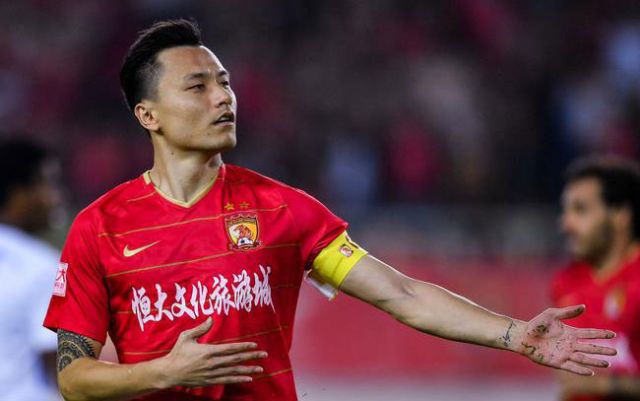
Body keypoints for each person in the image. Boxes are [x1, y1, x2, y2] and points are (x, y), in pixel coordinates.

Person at [44, 19, 617, 401]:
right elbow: (72, 378)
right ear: (148, 115)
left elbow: (402, 294)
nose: (223, 97)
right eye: (197, 87)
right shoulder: (100, 228)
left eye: (224, 82)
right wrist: (165, 372)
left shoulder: (282, 209)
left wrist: (515, 333)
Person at [553, 157, 640, 401]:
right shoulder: (566, 282)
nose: (566, 224)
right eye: (565, 211)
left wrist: (605, 385)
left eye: (580, 210)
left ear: (620, 215)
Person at [0, 138, 62, 400]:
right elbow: (62, 369)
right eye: (48, 183)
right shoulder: (42, 266)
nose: (56, 198)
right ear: (19, 194)